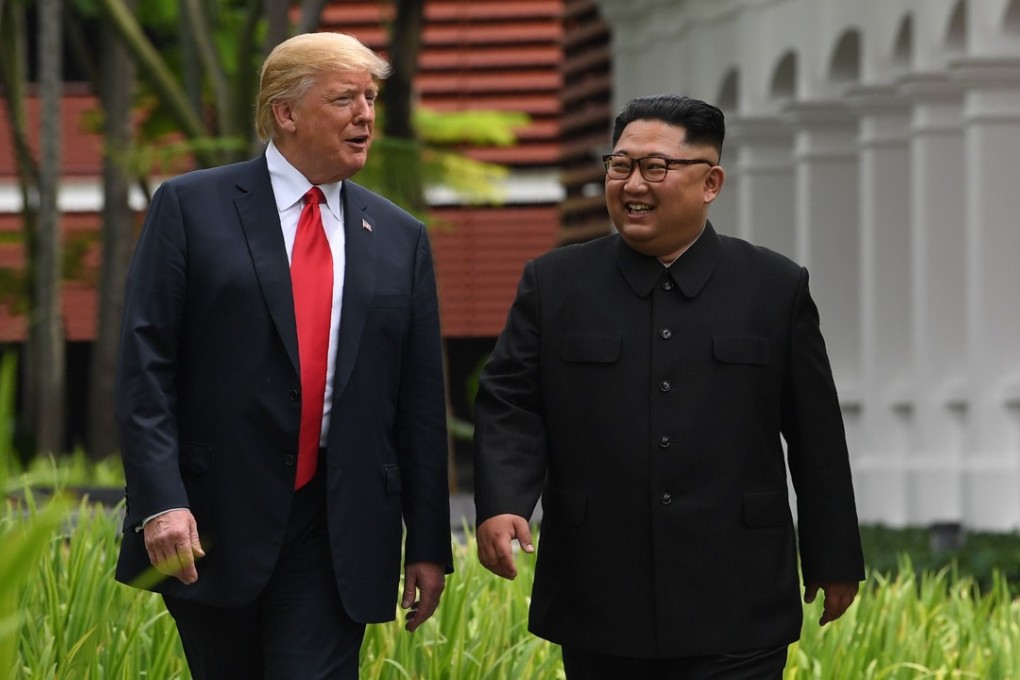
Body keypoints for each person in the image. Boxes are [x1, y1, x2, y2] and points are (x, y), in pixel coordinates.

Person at [473, 94, 865, 679]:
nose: (633, 184)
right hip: (599, 590)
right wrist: (504, 501)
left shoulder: (774, 286)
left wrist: (834, 554)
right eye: (620, 165)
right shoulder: (555, 284)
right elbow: (511, 404)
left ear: (711, 183)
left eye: (656, 167)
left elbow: (816, 434)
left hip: (739, 590)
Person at [114, 32, 452, 679]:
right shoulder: (190, 208)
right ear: (286, 112)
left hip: (338, 525)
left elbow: (418, 402)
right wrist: (160, 500)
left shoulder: (399, 237)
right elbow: (145, 368)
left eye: (370, 99)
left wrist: (429, 541)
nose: (365, 115)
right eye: (345, 98)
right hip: (212, 520)